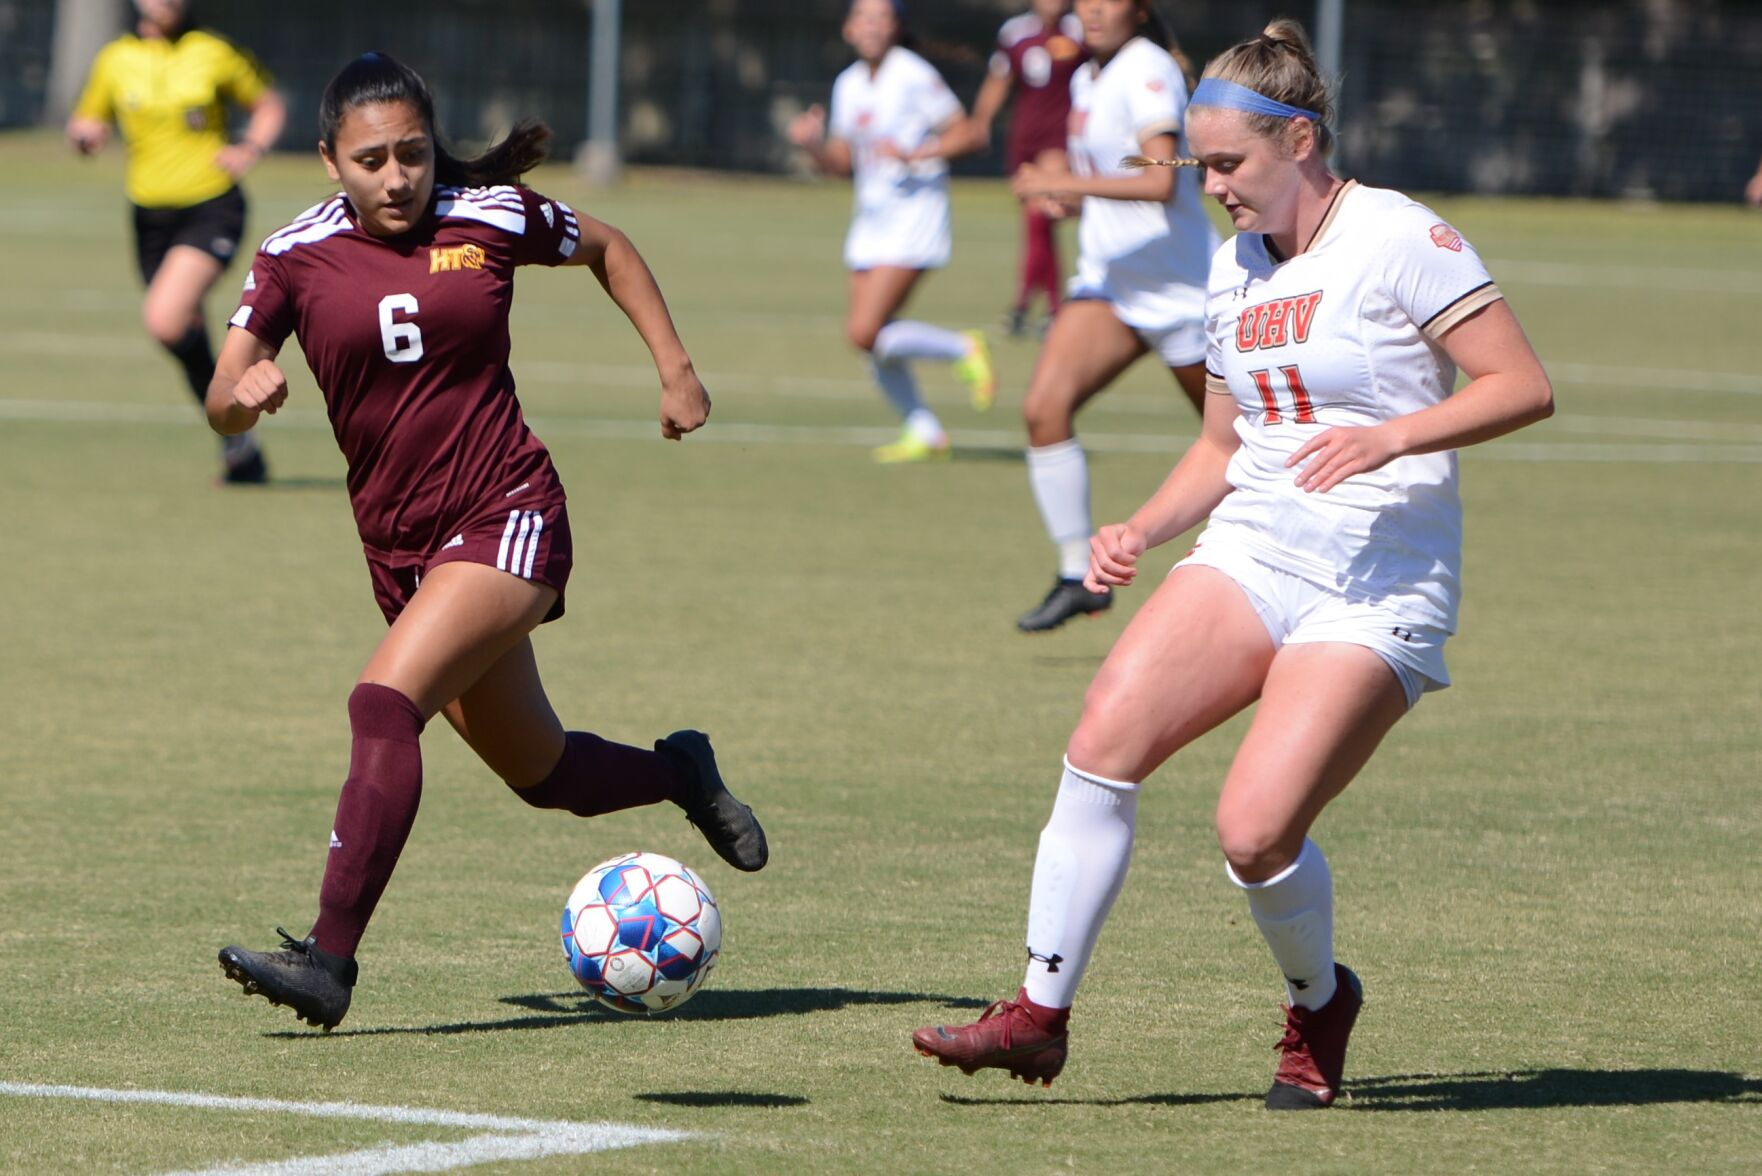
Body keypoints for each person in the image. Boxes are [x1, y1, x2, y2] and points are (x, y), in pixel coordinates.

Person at [912, 19, 1552, 1108]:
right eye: (1199, 167)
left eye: (1226, 166)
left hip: (1376, 580)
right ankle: (1037, 1014)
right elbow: (1221, 446)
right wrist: (1139, 531)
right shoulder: (1231, 267)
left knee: (1253, 834)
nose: (1209, 188)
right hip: (1254, 549)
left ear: (1299, 141)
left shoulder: (1396, 233)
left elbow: (1519, 384)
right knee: (1102, 739)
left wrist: (1390, 435)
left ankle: (1319, 1002)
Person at [210, 52, 768, 1031]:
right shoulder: (292, 257)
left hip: (509, 511)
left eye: (413, 154)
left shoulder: (491, 216)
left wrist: (675, 371)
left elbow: (610, 249)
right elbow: (223, 393)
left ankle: (329, 962)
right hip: (401, 551)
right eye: (372, 159)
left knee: (382, 706)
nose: (396, 177)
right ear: (329, 161)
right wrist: (240, 399)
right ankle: (682, 771)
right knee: (548, 777)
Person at [1004, 0, 1216, 632]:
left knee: (1251, 444)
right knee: (1044, 407)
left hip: (1181, 291)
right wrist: (1071, 200)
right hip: (1111, 284)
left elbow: (1161, 180)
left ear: (1140, 9)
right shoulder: (1090, 74)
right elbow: (1110, 181)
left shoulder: (1147, 66)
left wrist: (1067, 182)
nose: (1092, 10)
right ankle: (1078, 577)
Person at [66, 0, 286, 484]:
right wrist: (84, 135)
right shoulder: (114, 59)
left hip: (211, 206)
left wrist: (249, 147)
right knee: (181, 328)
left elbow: (268, 104)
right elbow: (87, 120)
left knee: (165, 320)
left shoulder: (213, 51)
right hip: (148, 217)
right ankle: (238, 439)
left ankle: (233, 414)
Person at [787, 0, 996, 463]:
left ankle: (962, 347)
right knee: (870, 342)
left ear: (896, 27)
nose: (871, 26)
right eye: (863, 17)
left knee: (864, 332)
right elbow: (842, 164)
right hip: (871, 222)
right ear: (848, 28)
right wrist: (811, 146)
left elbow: (971, 133)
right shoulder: (849, 83)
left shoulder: (913, 74)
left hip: (914, 219)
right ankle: (924, 430)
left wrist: (919, 154)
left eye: (882, 17)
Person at [969, 0, 1088, 337]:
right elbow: (998, 80)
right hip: (1024, 139)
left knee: (1042, 215)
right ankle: (1042, 307)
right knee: (1035, 225)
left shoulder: (1080, 31)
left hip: (1059, 140)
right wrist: (981, 121)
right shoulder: (1015, 33)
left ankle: (1032, 305)